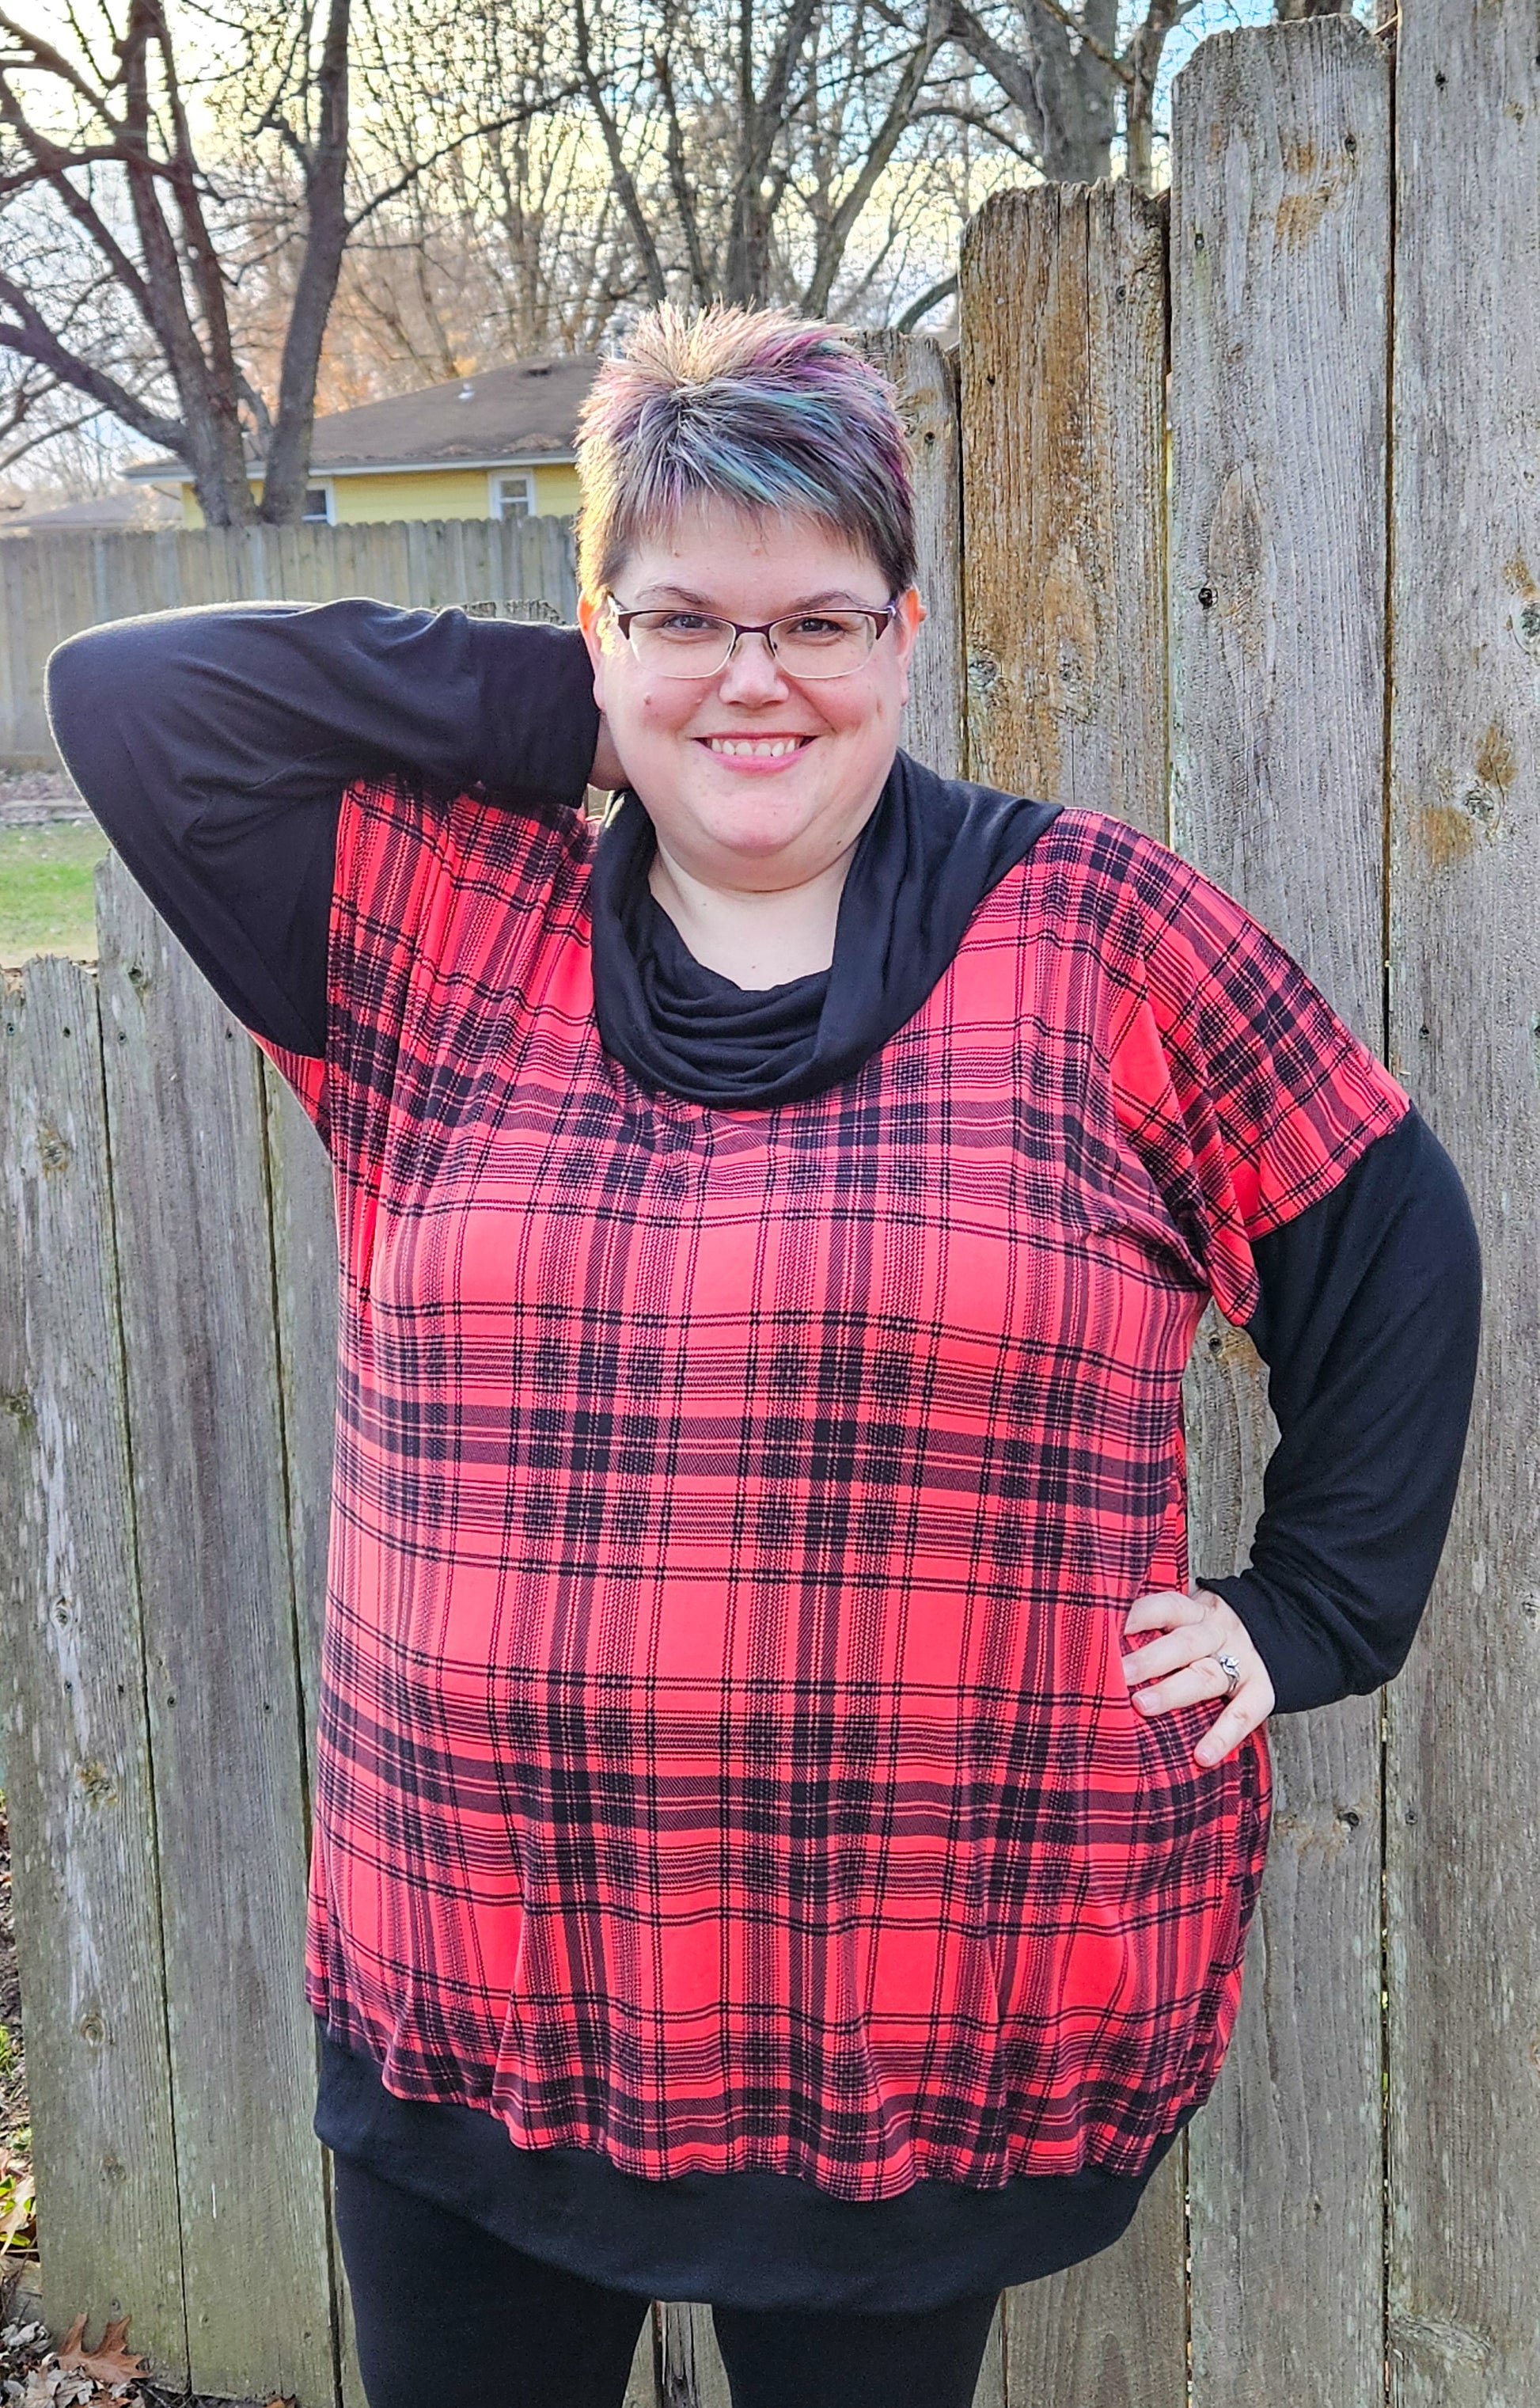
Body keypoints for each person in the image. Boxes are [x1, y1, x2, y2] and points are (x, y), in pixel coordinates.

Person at [46, 304, 1481, 2408]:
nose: (756, 674)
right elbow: (137, 694)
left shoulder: (1100, 942)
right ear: (593, 631)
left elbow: (1386, 1228)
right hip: (482, 1985)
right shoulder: (435, 923)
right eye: (684, 616)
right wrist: (612, 700)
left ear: (906, 637)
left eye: (819, 620)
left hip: (907, 2012)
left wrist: (1309, 1610)